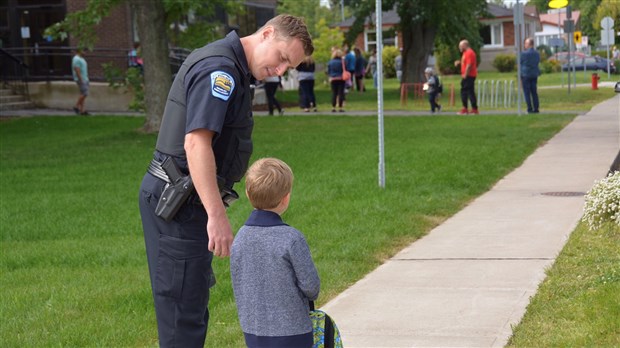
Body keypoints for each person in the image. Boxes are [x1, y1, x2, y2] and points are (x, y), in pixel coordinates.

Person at [138, 14, 313, 348]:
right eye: (282, 59)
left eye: (288, 68)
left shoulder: (231, 67)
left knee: (191, 305)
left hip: (186, 202)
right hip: (178, 205)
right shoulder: (220, 70)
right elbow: (196, 143)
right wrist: (217, 216)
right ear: (267, 33)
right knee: (182, 317)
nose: (279, 71)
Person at [231, 157, 320, 348]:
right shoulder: (292, 238)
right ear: (285, 198)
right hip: (293, 332)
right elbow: (312, 288)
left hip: (253, 330)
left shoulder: (239, 238)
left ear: (247, 193)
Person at [454, 40, 478, 115]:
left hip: (469, 75)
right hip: (468, 75)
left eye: (460, 46)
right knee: (468, 91)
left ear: (465, 45)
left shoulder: (469, 53)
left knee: (466, 91)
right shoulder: (465, 53)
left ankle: (468, 109)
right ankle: (470, 108)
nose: (459, 48)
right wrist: (460, 62)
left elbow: (469, 65)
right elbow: (466, 63)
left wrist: (465, 75)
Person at [520, 37, 540, 114]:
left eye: (525, 43)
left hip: (526, 75)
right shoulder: (537, 53)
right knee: (534, 92)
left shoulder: (523, 54)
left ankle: (529, 108)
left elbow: (519, 62)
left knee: (527, 92)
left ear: (529, 44)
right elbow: (537, 62)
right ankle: (536, 108)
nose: (524, 45)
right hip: (534, 74)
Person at [71, 48, 89, 115]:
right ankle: (76, 106)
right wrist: (81, 79)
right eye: (84, 50)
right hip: (81, 79)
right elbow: (77, 69)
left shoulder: (81, 58)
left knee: (83, 94)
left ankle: (82, 110)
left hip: (85, 78)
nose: (85, 52)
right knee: (85, 93)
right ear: (80, 50)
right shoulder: (76, 59)